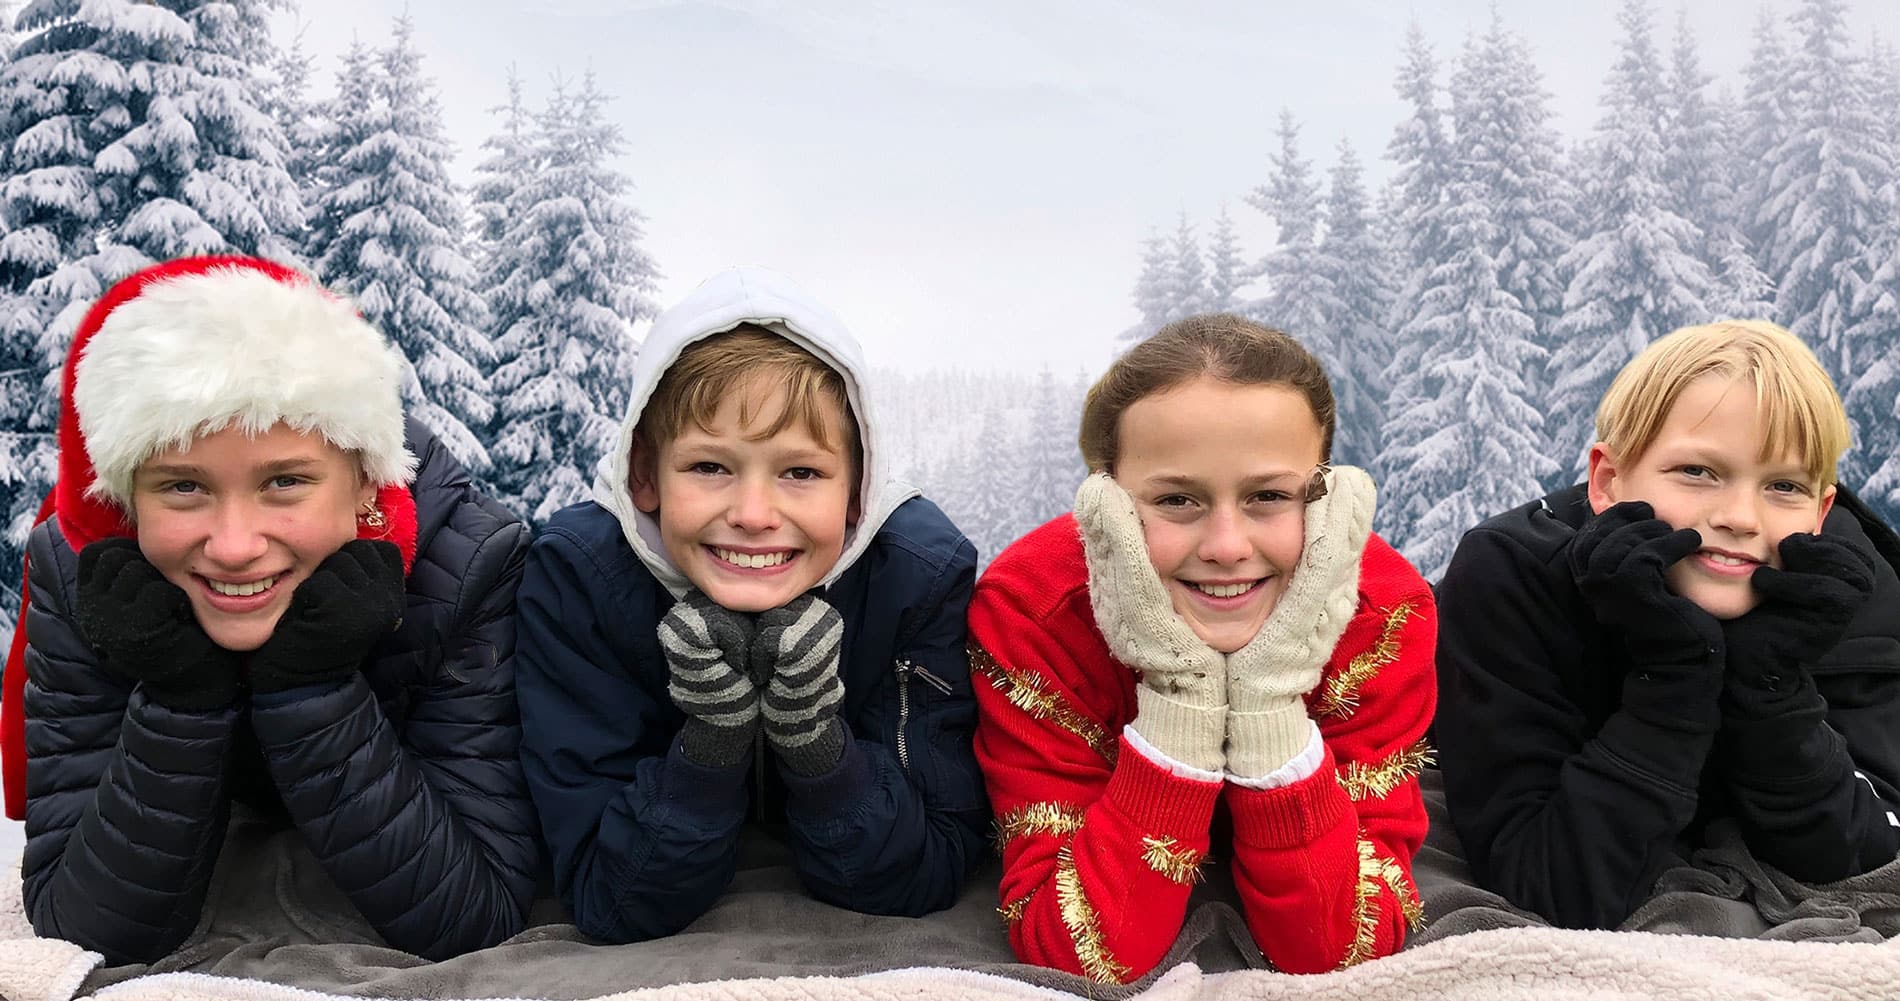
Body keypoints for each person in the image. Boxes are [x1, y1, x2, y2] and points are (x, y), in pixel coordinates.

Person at [2, 256, 540, 964]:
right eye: (183, 487)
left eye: (285, 481)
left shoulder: (464, 568)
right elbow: (84, 927)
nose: (233, 546)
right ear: (128, 502)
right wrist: (179, 699)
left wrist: (314, 688)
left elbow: (477, 913)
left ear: (364, 485)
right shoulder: (84, 577)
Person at [515, 266, 988, 943]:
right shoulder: (583, 579)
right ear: (645, 474)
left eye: (801, 472)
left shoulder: (914, 578)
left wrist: (817, 741)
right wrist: (709, 742)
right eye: (710, 467)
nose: (754, 514)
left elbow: (927, 868)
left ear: (857, 491)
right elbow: (607, 894)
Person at [967, 314, 1437, 981]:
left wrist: (1271, 697)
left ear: (1324, 498)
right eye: (1178, 498)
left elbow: (1336, 950)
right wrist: (1178, 698)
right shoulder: (1033, 613)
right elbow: (1080, 950)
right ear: (1109, 506)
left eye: (1269, 496)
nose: (1225, 546)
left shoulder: (1383, 615)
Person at [1435, 319, 1900, 929]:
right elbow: (1551, 883)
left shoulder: (1848, 592)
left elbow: (1865, 860)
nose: (1740, 516)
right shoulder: (1515, 574)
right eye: (1697, 472)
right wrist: (1672, 677)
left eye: (1783, 485)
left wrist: (1770, 685)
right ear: (1608, 480)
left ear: (1821, 511)